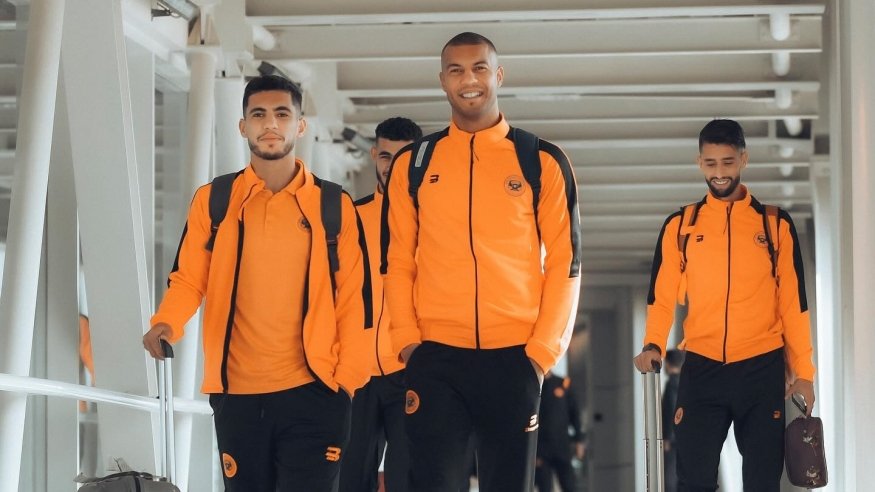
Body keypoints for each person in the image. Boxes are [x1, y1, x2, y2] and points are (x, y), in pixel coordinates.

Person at [143, 75, 371, 491]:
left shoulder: (332, 205)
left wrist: (346, 382)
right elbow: (188, 277)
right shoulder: (215, 200)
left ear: (300, 126)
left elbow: (355, 299)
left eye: (282, 114)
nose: (270, 124)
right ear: (242, 126)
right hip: (237, 396)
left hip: (316, 391)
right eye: (259, 115)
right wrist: (166, 322)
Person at [382, 32, 581, 492]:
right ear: (442, 80)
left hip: (515, 357)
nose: (468, 80)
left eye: (479, 68)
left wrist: (541, 355)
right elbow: (397, 260)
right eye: (456, 70)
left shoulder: (542, 161)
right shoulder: (415, 164)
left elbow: (566, 263)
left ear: (499, 75)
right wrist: (408, 343)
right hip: (436, 357)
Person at [633, 119, 816, 492]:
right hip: (703, 369)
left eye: (728, 162)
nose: (719, 172)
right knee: (694, 480)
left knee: (762, 482)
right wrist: (653, 344)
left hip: (761, 368)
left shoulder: (774, 226)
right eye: (711, 163)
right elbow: (661, 296)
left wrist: (805, 373)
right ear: (699, 162)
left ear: (744, 159)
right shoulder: (681, 226)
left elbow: (793, 306)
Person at [340, 117, 422, 492]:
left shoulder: (434, 222)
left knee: (409, 480)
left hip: (410, 368)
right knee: (350, 480)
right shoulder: (350, 219)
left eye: (403, 157)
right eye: (386, 156)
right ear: (374, 155)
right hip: (356, 375)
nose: (392, 166)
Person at [534, 372, 585, 492]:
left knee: (569, 485)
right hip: (541, 448)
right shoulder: (534, 385)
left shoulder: (564, 384)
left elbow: (575, 414)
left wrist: (579, 441)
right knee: (544, 487)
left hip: (561, 445)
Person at [662, 349, 685, 492]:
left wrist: (667, 438)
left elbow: (671, 409)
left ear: (668, 364)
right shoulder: (686, 384)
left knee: (669, 480)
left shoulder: (671, 384)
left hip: (674, 440)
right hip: (686, 439)